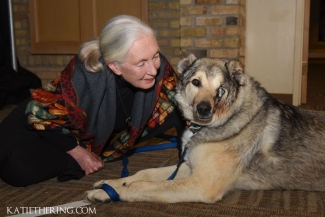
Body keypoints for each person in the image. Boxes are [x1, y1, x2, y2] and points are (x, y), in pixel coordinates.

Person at [0, 15, 185, 187]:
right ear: (114, 66)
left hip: (83, 135)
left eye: (155, 56)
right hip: (40, 124)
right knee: (16, 168)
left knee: (178, 109)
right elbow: (36, 112)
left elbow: (183, 104)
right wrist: (78, 153)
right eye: (141, 63)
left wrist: (189, 155)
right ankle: (80, 155)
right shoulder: (86, 75)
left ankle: (86, 151)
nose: (153, 69)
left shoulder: (158, 68)